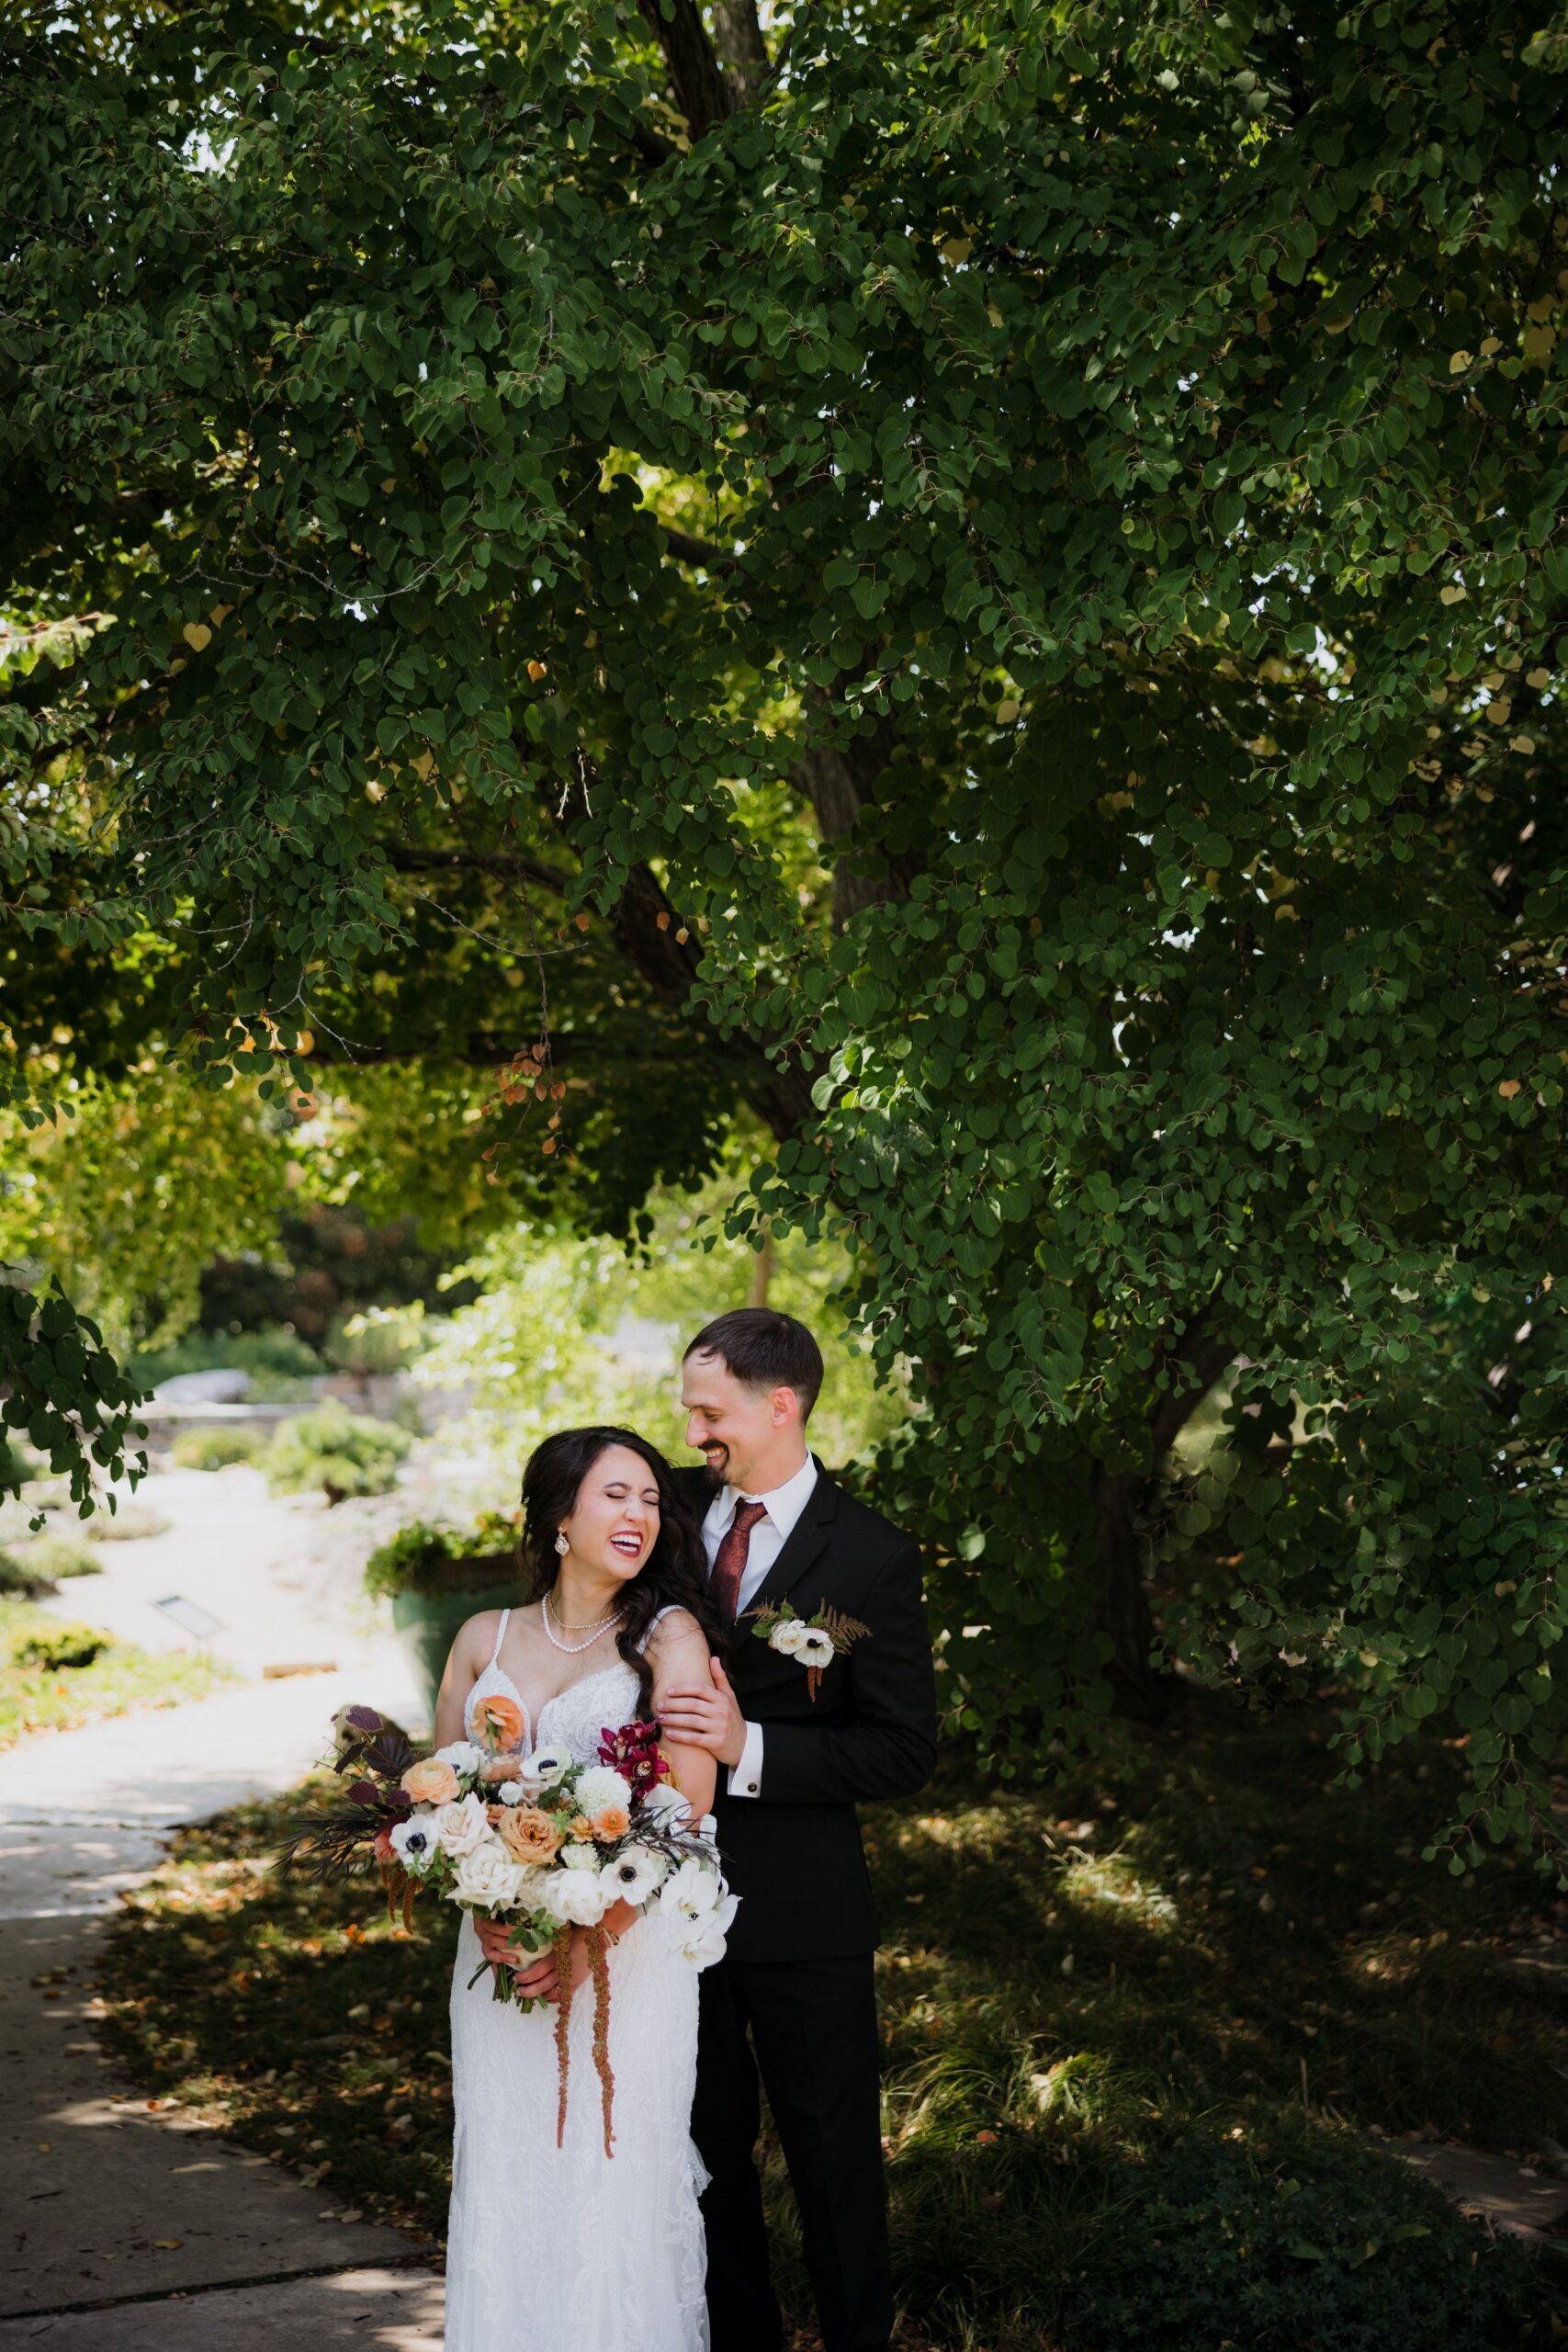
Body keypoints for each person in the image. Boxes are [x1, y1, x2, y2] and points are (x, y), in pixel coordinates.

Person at [660, 1308, 938, 2352]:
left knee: (833, 2165)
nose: (692, 1435)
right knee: (702, 2156)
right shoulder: (670, 1516)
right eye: (688, 1410)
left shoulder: (870, 1555)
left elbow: (904, 1750)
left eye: (709, 1410)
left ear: (782, 1405)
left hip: (808, 1917)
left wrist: (752, 1748)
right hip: (659, 1901)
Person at [434, 1425, 730, 2352]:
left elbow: (684, 1813)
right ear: (561, 1513)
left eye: (650, 1498)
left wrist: (585, 1936)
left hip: (626, 1958)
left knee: (612, 2181)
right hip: (499, 1963)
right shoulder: (485, 1638)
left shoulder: (667, 1637)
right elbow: (441, 1799)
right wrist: (485, 1906)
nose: (639, 1512)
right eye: (616, 1494)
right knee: (512, 2175)